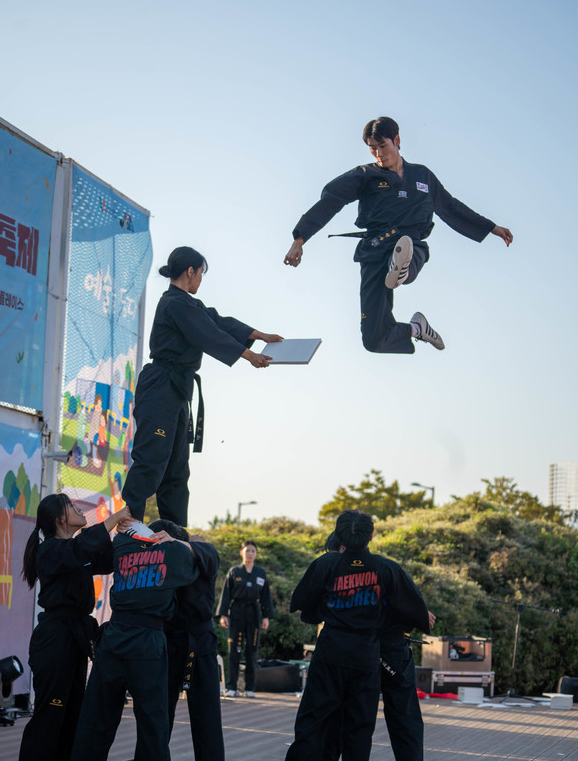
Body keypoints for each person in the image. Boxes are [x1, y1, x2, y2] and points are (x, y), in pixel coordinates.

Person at [284, 116, 513, 354]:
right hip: (374, 249)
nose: (379, 154)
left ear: (397, 140)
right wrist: (300, 238)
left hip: (411, 243)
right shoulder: (364, 175)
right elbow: (330, 200)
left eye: (383, 146)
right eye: (373, 149)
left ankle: (401, 267)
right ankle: (417, 328)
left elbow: (449, 206)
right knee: (373, 340)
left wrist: (490, 227)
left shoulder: (422, 176)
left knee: (407, 249)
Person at [278, 510, 430, 761]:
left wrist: (328, 611)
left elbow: (303, 606)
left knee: (311, 721)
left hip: (330, 652)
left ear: (339, 535)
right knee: (359, 729)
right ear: (371, 535)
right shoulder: (387, 568)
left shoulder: (325, 564)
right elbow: (415, 611)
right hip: (366, 656)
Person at [122, 246, 282, 527]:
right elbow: (207, 334)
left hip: (179, 391)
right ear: (190, 272)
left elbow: (217, 321)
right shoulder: (174, 303)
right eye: (201, 274)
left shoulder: (188, 304)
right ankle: (128, 524)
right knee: (151, 458)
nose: (200, 280)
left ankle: (175, 532)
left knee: (177, 468)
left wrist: (261, 335)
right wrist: (250, 356)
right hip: (160, 387)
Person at [63, 522, 200, 761]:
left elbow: (92, 551)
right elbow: (204, 562)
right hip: (148, 643)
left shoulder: (122, 545)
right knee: (154, 734)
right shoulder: (174, 552)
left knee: (93, 730)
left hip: (113, 640)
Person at [13, 494, 132, 761]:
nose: (81, 511)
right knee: (50, 712)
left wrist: (132, 534)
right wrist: (114, 517)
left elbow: (103, 557)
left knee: (71, 715)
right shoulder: (50, 550)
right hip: (55, 640)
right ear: (59, 519)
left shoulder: (76, 550)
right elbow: (82, 547)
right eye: (73, 507)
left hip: (76, 638)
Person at [312, 532, 437, 761]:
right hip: (392, 653)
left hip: (359, 655)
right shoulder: (385, 568)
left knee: (344, 716)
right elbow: (423, 615)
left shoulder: (334, 573)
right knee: (405, 721)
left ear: (342, 548)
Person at [113, 521, 229, 761]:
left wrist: (177, 544)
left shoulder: (199, 553)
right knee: (155, 719)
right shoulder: (153, 559)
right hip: (166, 643)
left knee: (207, 719)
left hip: (200, 643)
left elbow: (208, 552)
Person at [217, 540, 275, 697]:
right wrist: (223, 615)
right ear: (241, 552)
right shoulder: (234, 572)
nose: (250, 553)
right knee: (234, 650)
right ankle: (231, 687)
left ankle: (250, 688)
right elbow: (226, 595)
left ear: (256, 554)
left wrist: (266, 617)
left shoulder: (260, 573)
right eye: (247, 550)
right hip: (236, 612)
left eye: (253, 551)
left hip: (254, 614)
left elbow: (265, 597)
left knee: (252, 650)